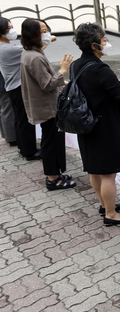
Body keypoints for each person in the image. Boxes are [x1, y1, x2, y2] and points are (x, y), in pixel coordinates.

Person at [72, 23, 120, 225]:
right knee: (109, 174)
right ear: (95, 46)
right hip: (104, 128)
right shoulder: (101, 70)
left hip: (86, 126)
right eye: (104, 41)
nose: (107, 44)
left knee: (94, 169)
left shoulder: (77, 64)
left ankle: (104, 205)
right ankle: (111, 215)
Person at [20, 18, 76, 190]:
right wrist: (63, 70)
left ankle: (57, 174)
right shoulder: (35, 57)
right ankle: (53, 178)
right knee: (51, 142)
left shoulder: (31, 52)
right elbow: (47, 84)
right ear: (33, 35)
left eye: (47, 30)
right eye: (42, 31)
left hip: (47, 106)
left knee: (53, 140)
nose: (47, 34)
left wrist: (60, 82)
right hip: (47, 108)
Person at [0, 18, 39, 160]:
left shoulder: (6, 47)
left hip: (11, 86)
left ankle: (24, 147)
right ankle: (30, 151)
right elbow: (35, 52)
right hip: (18, 87)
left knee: (19, 119)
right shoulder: (8, 49)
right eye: (8, 28)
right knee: (25, 120)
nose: (12, 30)